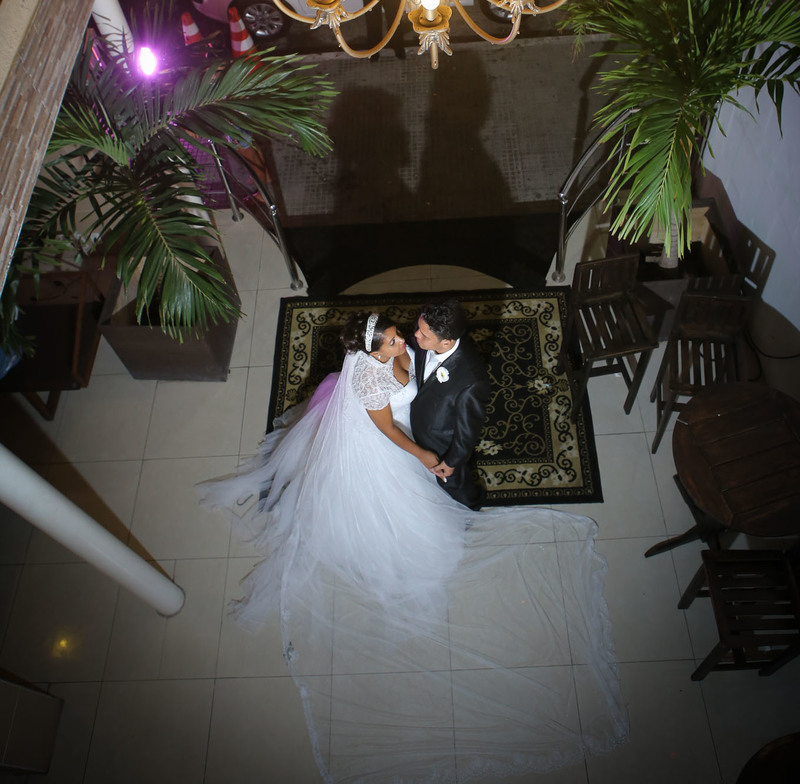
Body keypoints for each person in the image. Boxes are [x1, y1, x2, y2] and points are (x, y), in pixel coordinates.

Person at [197, 309, 629, 784]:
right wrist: (427, 458)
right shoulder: (367, 381)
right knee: (399, 510)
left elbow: (423, 380)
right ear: (373, 352)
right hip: (388, 447)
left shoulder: (409, 354)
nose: (404, 340)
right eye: (394, 340)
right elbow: (388, 432)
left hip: (411, 422)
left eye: (404, 334)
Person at [410, 296, 491, 509]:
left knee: (456, 486)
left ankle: (472, 506)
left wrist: (451, 462)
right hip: (416, 431)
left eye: (423, 334)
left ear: (446, 342)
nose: (415, 334)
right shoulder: (425, 337)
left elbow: (467, 432)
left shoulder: (471, 383)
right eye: (418, 328)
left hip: (441, 445)